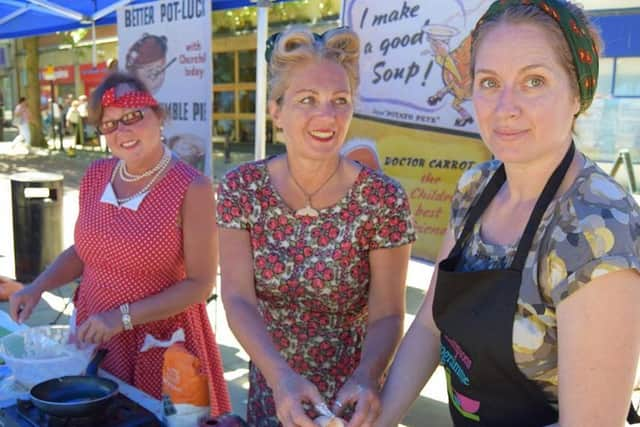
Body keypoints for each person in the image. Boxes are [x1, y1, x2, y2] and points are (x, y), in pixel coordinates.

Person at [376, 1, 640, 426]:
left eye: (533, 81)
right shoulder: (475, 188)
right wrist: (375, 419)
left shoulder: (596, 227)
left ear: (577, 93)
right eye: (489, 82)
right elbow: (429, 326)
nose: (505, 107)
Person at [217, 27, 416, 426]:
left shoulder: (382, 199)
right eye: (307, 99)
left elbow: (388, 315)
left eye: (339, 101)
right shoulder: (242, 188)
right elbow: (238, 298)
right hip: (274, 393)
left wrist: (366, 378)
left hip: (354, 403)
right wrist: (280, 378)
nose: (327, 115)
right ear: (276, 111)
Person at [9, 72, 231, 416]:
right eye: (109, 124)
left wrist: (123, 317)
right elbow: (84, 253)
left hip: (159, 342)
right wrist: (37, 286)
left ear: (159, 116)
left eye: (132, 117)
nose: (122, 131)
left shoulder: (193, 188)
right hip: (96, 334)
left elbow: (201, 285)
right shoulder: (96, 175)